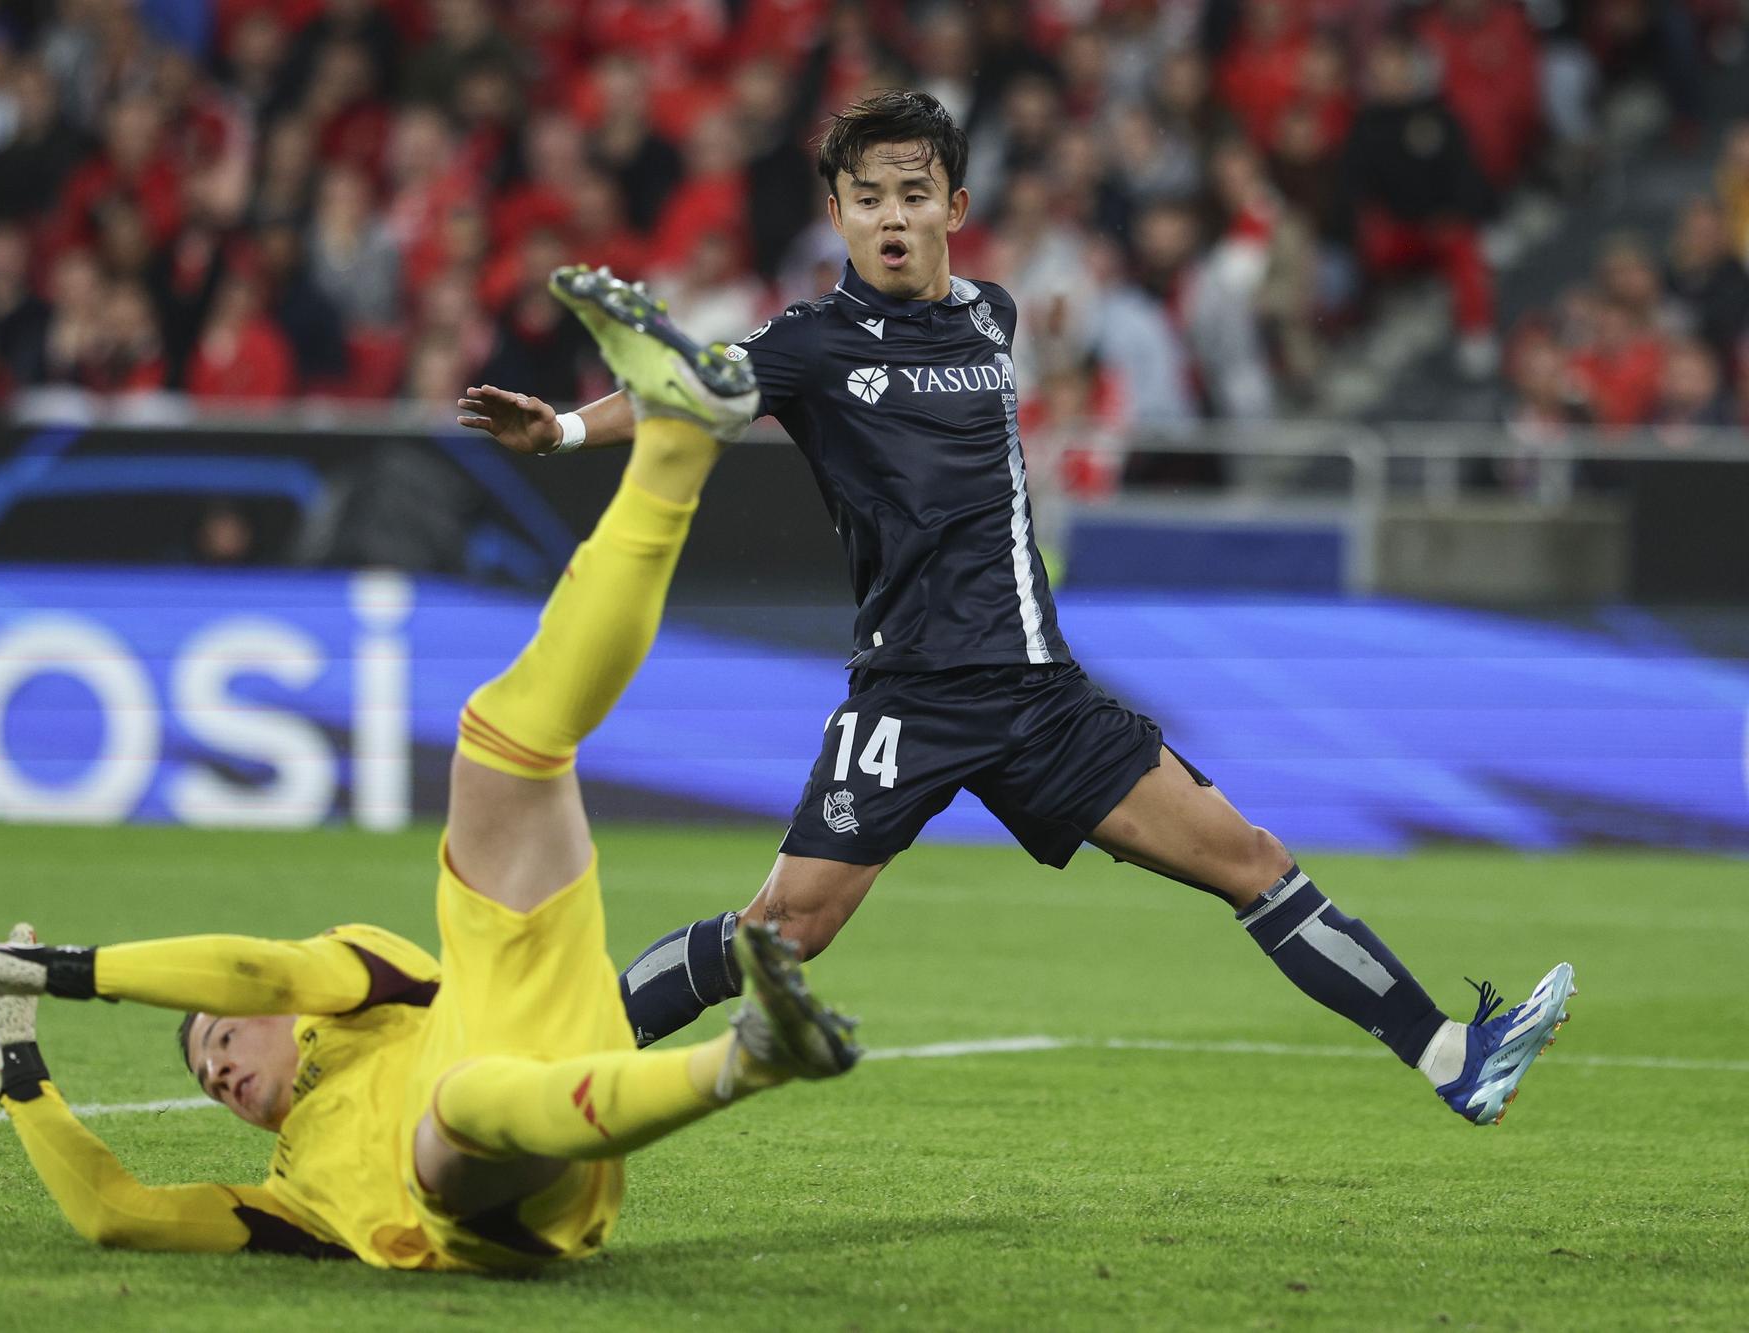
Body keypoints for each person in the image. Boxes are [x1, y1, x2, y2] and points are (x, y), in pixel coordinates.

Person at [458, 90, 1574, 1128]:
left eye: (910, 193)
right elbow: (692, 389)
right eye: (865, 198)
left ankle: (1449, 1057)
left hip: (1042, 697)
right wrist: (557, 430)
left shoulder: (990, 314)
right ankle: (548, 1060)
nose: (888, 218)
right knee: (780, 933)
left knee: (1250, 858)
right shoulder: (804, 344)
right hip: (913, 693)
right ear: (836, 213)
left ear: (953, 205)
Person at [0, 267, 860, 1270]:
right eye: (206, 1075)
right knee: (464, 1110)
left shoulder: (369, 997)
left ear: (287, 1023)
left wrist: (47, 967)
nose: (214, 1066)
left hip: (517, 1009)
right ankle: (742, 1064)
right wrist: (16, 1049)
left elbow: (258, 969)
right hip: (499, 1211)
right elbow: (115, 1212)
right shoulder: (292, 1197)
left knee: (501, 742)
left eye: (216, 1037)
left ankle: (673, 446)